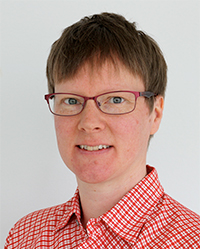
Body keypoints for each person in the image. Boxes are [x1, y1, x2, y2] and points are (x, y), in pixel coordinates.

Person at [5, 12, 200, 249]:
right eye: (71, 100)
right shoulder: (25, 236)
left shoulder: (193, 241)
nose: (89, 122)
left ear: (155, 114)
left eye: (116, 100)